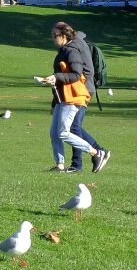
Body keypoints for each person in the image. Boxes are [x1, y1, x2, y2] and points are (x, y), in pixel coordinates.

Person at [42, 22, 108, 173]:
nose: (53, 38)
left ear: (64, 36)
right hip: (63, 96)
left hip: (74, 95)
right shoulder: (64, 50)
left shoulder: (72, 50)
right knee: (55, 133)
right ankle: (60, 165)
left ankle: (96, 153)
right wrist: (54, 100)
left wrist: (56, 77)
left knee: (66, 131)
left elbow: (76, 75)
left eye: (55, 35)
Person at [64, 27, 111, 173]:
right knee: (73, 126)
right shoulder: (79, 43)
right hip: (83, 89)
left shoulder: (77, 45)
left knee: (73, 127)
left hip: (82, 90)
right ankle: (98, 152)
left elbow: (87, 71)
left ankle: (79, 164)